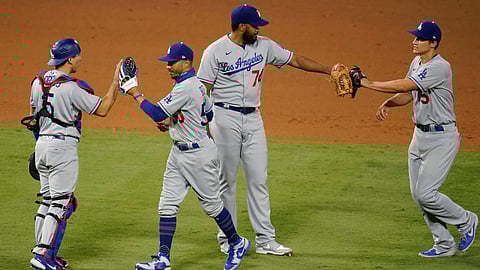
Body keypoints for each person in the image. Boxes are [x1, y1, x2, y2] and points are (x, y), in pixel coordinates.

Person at [197, 4, 332, 256]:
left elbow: (295, 59)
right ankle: (229, 239)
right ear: (241, 26)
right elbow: (201, 89)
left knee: (259, 179)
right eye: (255, 25)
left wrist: (328, 69)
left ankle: (266, 241)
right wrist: (202, 123)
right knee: (226, 180)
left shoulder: (265, 45)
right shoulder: (214, 51)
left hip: (253, 118)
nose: (259, 29)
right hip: (223, 118)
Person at [352, 20, 478, 257]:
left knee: (426, 193)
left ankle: (466, 220)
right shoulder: (417, 62)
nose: (414, 41)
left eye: (420, 39)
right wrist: (390, 102)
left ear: (433, 43)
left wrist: (368, 84)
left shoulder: (440, 67)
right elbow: (409, 93)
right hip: (419, 136)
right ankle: (443, 244)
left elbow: (407, 83)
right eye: (415, 37)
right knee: (419, 197)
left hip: (442, 138)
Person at [128, 42, 250, 270]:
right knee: (167, 205)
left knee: (212, 206)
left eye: (172, 62)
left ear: (186, 63)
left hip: (198, 156)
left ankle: (236, 242)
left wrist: (135, 92)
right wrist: (175, 122)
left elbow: (155, 112)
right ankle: (163, 259)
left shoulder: (187, 88)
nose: (168, 66)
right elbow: (207, 112)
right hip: (178, 153)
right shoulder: (197, 86)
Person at [28, 38, 122, 270]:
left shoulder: (37, 82)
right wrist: (116, 83)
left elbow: (33, 120)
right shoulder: (70, 88)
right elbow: (102, 108)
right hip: (62, 148)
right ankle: (41, 254)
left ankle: (46, 255)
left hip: (42, 145)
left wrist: (39, 147)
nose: (81, 58)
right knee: (60, 202)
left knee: (48, 200)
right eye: (78, 55)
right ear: (69, 58)